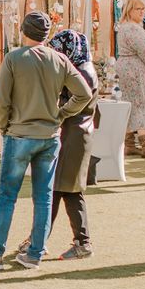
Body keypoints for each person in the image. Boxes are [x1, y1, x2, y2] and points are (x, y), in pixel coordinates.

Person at [0, 12, 92, 271]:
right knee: (43, 197)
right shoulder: (60, 59)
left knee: (7, 196)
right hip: (49, 136)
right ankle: (34, 253)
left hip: (20, 135)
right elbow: (84, 93)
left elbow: (2, 101)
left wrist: (4, 127)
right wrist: (61, 114)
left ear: (23, 30)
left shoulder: (14, 58)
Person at [42, 30, 99, 260]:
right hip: (75, 134)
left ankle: (79, 242)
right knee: (63, 190)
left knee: (64, 190)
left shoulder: (83, 72)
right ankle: (42, 238)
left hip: (74, 135)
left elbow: (77, 101)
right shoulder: (83, 67)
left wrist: (58, 114)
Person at [116, 0, 145, 159]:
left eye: (144, 9)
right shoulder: (132, 29)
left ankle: (129, 144)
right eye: (139, 9)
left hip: (130, 68)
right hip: (135, 71)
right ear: (130, 10)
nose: (143, 12)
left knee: (132, 105)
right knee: (140, 104)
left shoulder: (127, 27)